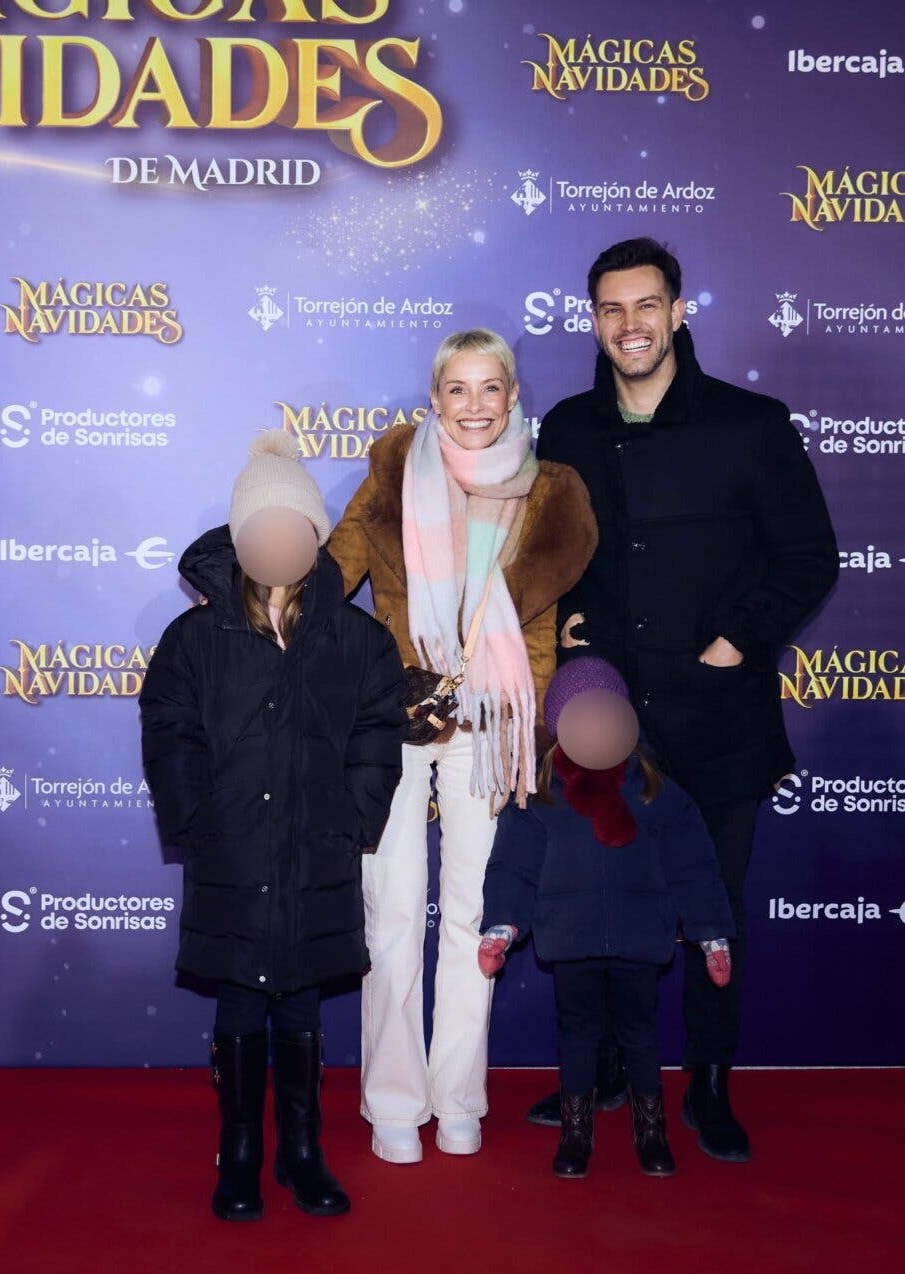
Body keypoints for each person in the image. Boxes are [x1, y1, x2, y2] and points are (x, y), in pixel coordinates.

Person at [529, 237, 839, 1160]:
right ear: (593, 320)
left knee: (716, 913)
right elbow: (560, 553)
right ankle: (612, 1075)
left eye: (646, 305)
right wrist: (573, 622)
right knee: (600, 904)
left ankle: (709, 1082)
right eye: (612, 309)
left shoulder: (752, 423)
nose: (630, 325)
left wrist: (731, 644)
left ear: (679, 311)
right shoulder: (570, 428)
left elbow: (807, 557)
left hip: (718, 716)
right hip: (606, 721)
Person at [328, 329, 598, 1163]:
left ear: (514, 397)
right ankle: (394, 1107)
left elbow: (565, 598)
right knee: (394, 912)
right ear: (435, 397)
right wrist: (264, 604)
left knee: (476, 920)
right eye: (458, 389)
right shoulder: (394, 471)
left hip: (496, 724)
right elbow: (336, 567)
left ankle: (458, 1099)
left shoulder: (554, 491)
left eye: (491, 389)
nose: (474, 405)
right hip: (397, 716)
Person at [140, 431, 407, 1222]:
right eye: (261, 529)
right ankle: (241, 1155)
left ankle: (301, 1151)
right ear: (239, 538)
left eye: (293, 527)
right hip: (231, 850)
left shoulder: (358, 640)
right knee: (239, 1002)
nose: (278, 542)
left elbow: (377, 730)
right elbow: (169, 727)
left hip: (317, 850)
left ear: (316, 538)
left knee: (298, 1001)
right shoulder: (196, 638)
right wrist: (193, 817)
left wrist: (356, 816)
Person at [479, 658, 734, 1178]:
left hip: (641, 939)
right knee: (576, 1034)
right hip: (570, 939)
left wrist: (711, 935)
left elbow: (694, 867)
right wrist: (502, 926)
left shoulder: (656, 792)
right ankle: (576, 1134)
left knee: (640, 1035)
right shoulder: (539, 795)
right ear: (560, 726)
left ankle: (652, 1132)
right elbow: (514, 867)